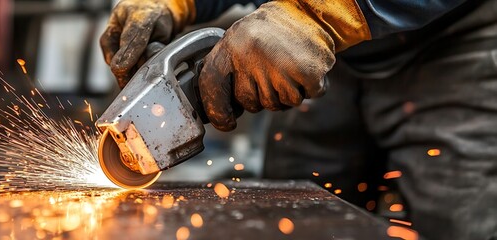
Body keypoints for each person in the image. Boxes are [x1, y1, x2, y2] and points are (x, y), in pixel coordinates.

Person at [99, 0, 497, 239]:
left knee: (458, 222)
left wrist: (324, 15)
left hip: (453, 45)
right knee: (289, 213)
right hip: (320, 49)